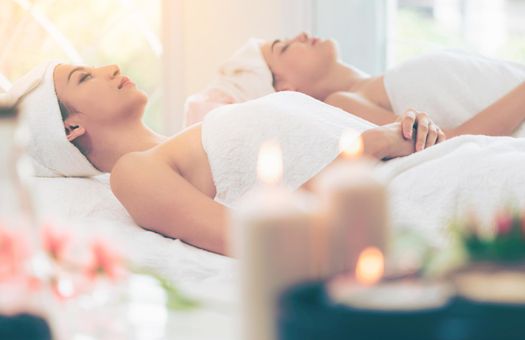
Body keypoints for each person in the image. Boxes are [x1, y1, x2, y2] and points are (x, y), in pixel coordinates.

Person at [12, 62, 442, 255]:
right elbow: (265, 239)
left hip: (433, 163)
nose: (109, 67)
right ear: (69, 129)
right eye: (84, 78)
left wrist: (407, 128)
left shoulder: (196, 130)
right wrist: (365, 150)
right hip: (411, 205)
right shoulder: (135, 172)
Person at [260, 32, 525, 150]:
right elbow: (449, 143)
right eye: (283, 47)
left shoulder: (382, 80)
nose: (302, 35)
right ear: (285, 88)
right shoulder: (343, 102)